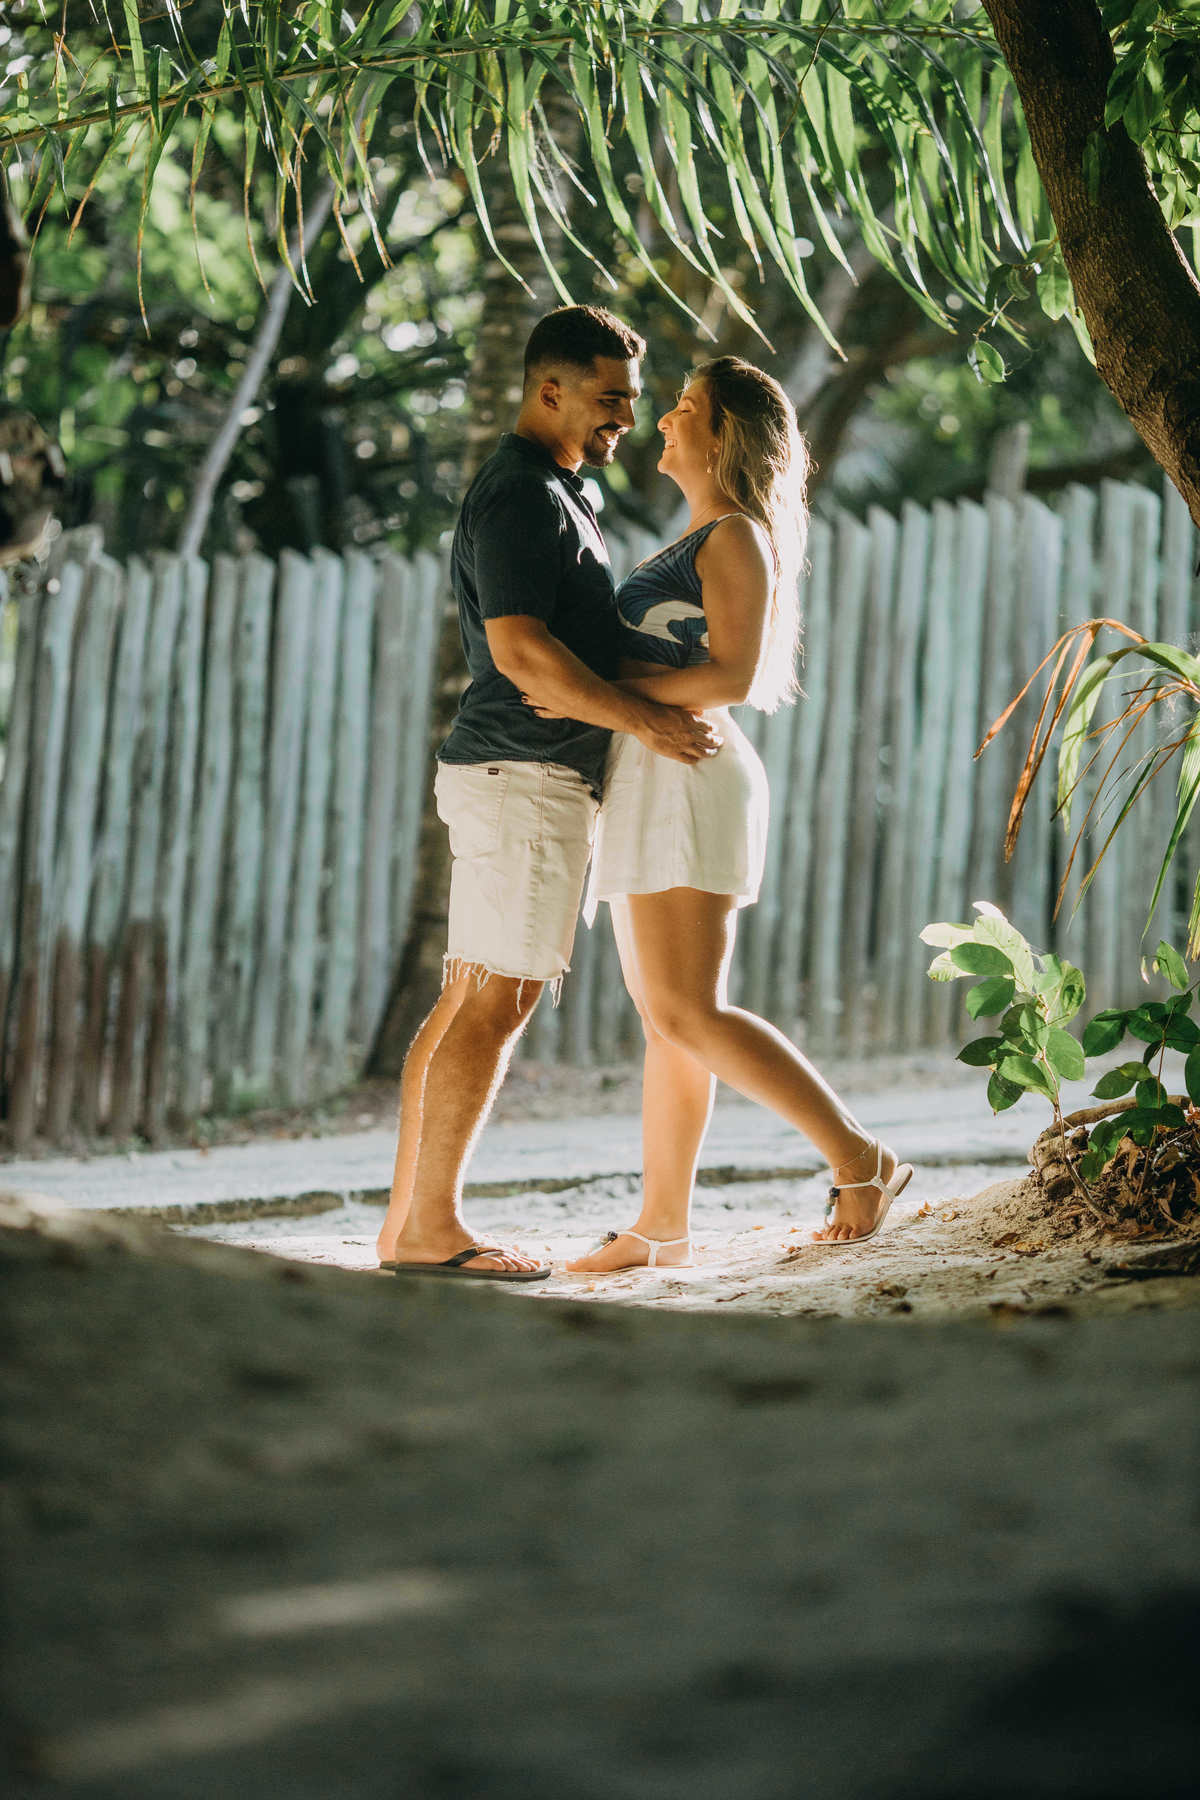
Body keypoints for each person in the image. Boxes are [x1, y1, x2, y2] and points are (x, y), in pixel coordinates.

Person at [521, 356, 913, 1272]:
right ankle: (662, 1224)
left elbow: (736, 677)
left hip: (688, 771)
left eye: (686, 407)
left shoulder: (733, 534)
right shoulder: (695, 534)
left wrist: (598, 686)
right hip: (657, 768)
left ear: (725, 434)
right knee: (668, 1022)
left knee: (687, 1010)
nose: (662, 419)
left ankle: (862, 1158)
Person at [375, 306, 721, 1281]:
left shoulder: (558, 491)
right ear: (550, 386)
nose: (624, 418)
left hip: (516, 774)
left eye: (631, 401)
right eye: (610, 398)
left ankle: (410, 1224)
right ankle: (431, 1233)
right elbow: (524, 654)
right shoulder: (522, 497)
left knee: (468, 998)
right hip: (521, 773)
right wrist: (643, 720)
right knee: (498, 999)